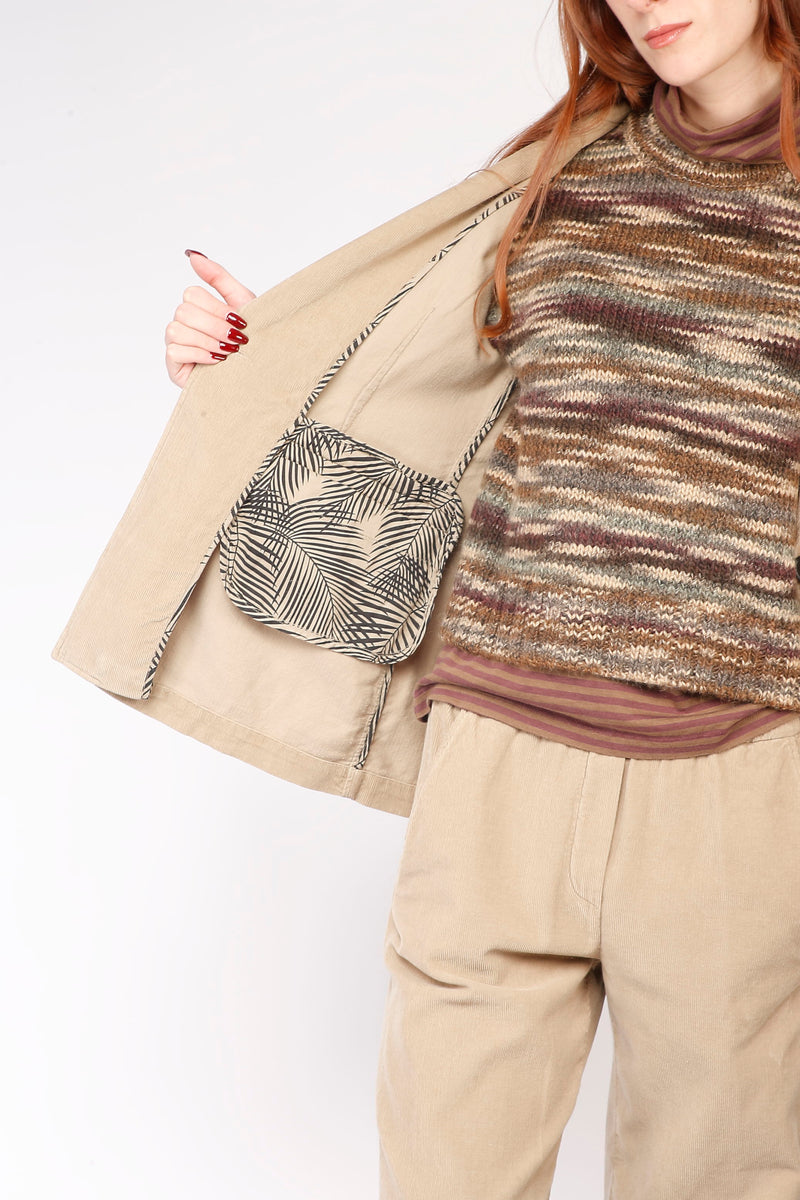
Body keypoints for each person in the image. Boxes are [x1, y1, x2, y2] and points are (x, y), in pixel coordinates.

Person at [57, 0, 800, 1196]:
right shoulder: (556, 175)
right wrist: (249, 361)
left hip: (739, 779)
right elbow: (407, 403)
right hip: (495, 765)